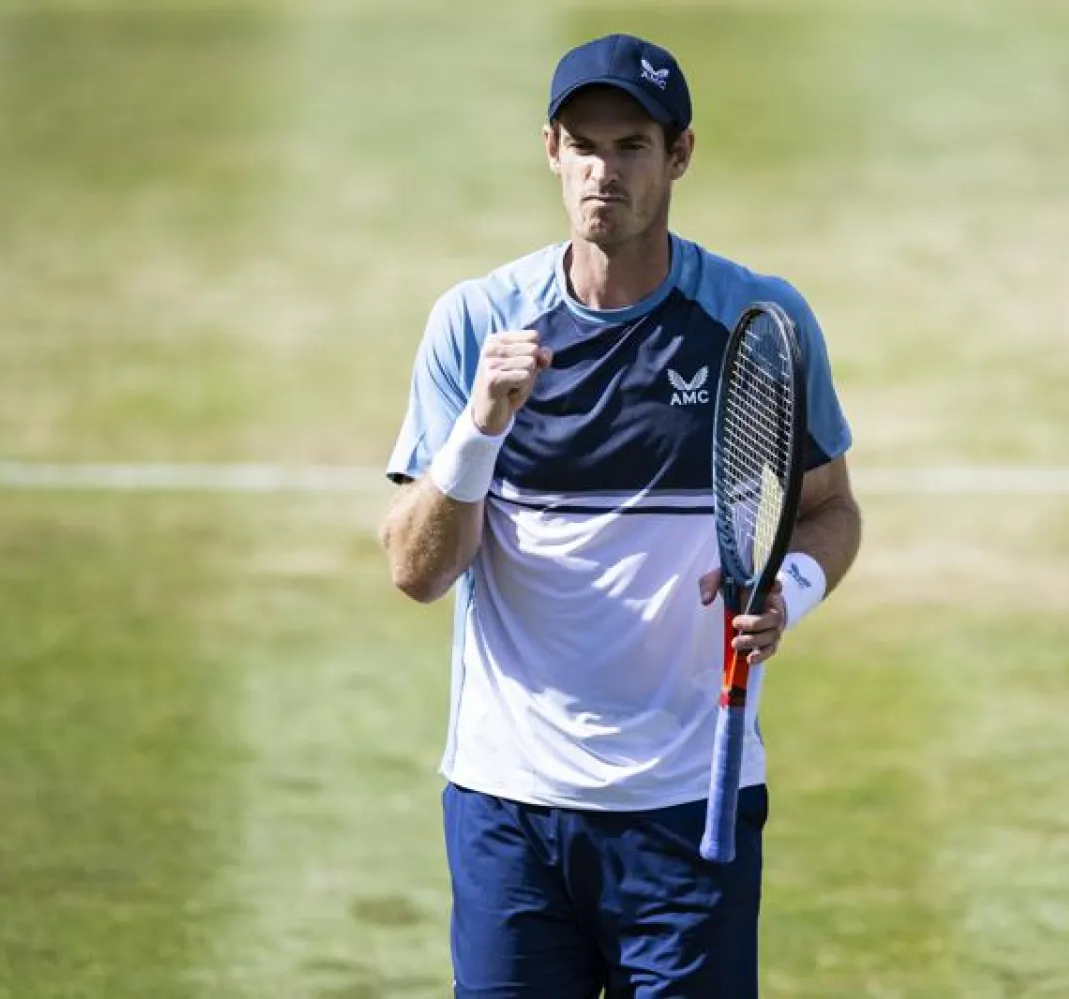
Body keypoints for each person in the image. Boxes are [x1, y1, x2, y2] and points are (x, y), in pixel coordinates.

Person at [379, 32, 862, 998]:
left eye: (632, 145)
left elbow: (829, 510)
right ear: (551, 152)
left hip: (691, 805)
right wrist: (481, 425)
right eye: (584, 145)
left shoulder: (755, 322)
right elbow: (416, 570)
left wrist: (790, 594)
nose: (605, 172)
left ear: (679, 155)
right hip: (509, 807)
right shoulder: (477, 323)